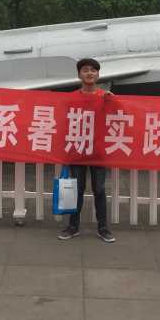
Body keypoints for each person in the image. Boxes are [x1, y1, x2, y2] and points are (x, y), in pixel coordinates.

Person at [58, 58, 116, 243]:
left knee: (99, 189)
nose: (89, 73)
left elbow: (116, 118)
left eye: (93, 70)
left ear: (98, 74)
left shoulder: (105, 97)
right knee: (77, 189)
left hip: (98, 151)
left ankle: (103, 228)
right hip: (77, 149)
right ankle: (73, 226)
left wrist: (112, 102)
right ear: (79, 74)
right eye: (85, 70)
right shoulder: (71, 98)